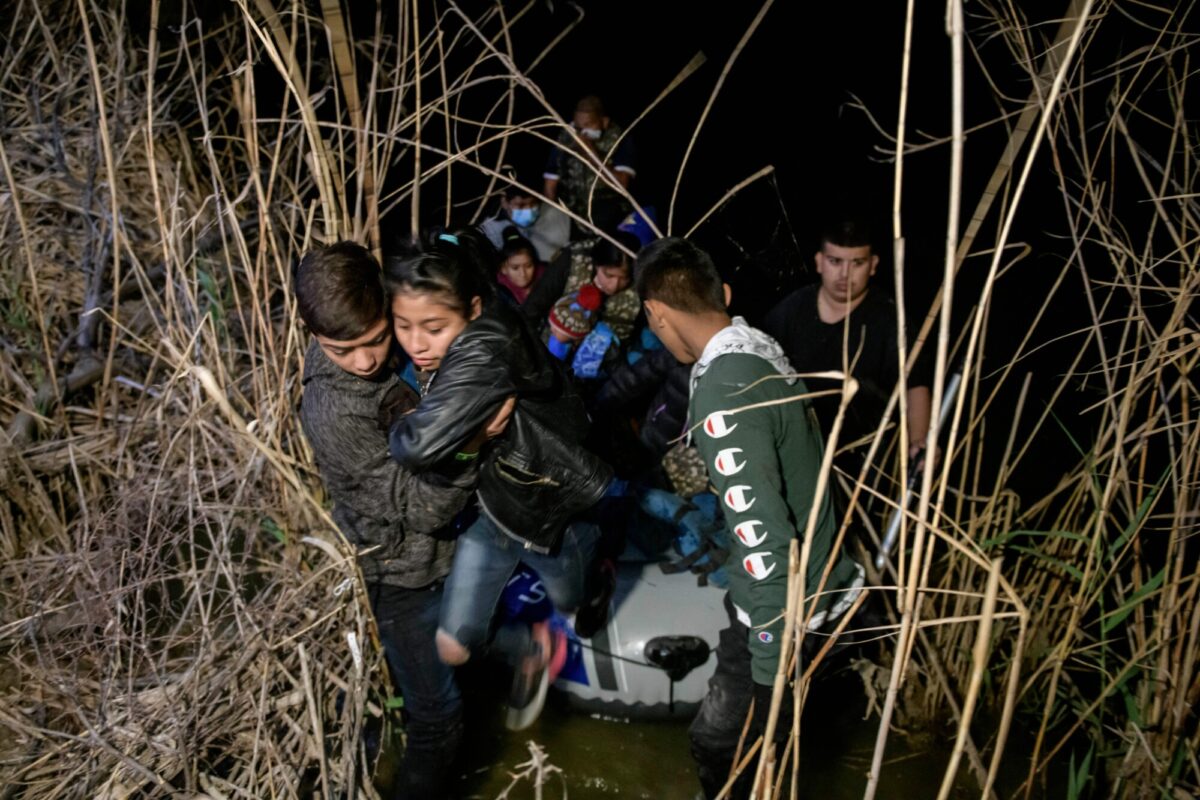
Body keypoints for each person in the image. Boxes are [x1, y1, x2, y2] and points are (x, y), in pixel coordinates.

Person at [636, 237, 865, 799]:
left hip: (790, 607)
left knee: (722, 744)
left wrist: (768, 683)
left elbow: (767, 549)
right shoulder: (753, 345)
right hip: (819, 585)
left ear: (655, 313)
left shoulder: (723, 391)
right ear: (725, 296)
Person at [294, 241, 514, 799]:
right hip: (400, 576)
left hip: (452, 552)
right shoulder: (334, 411)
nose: (367, 361)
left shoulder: (403, 333)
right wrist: (472, 440)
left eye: (375, 339)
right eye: (343, 350)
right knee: (437, 722)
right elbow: (418, 507)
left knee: (468, 677)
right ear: (314, 335)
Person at [384, 230, 612, 731]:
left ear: (473, 308)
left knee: (573, 601)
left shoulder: (486, 346)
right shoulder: (461, 339)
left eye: (433, 327)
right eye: (403, 325)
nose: (416, 344)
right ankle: (532, 647)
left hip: (548, 514)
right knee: (452, 648)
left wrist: (395, 424)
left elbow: (413, 445)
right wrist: (473, 440)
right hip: (493, 508)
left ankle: (600, 563)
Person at [762, 217, 933, 464]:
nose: (845, 274)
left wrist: (919, 443)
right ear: (819, 262)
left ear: (873, 265)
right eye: (835, 261)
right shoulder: (792, 310)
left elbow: (915, 385)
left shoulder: (890, 319)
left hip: (868, 455)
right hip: (799, 447)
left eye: (857, 263)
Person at [543, 95, 636, 232]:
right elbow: (550, 184)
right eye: (578, 127)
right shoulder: (565, 137)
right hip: (572, 215)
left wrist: (591, 152)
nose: (582, 132)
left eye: (588, 125)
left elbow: (622, 183)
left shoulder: (620, 139)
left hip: (610, 217)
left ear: (604, 121)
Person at [478, 175, 571, 263]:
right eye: (521, 205)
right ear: (505, 202)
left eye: (533, 204)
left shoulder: (551, 214)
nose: (528, 210)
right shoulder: (489, 229)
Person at [495, 228, 545, 307]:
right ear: (503, 269)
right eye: (515, 268)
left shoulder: (545, 276)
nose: (522, 274)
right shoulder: (499, 292)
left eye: (528, 266)